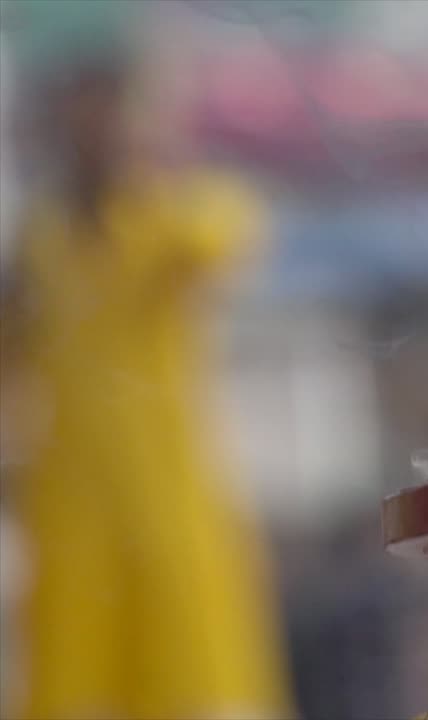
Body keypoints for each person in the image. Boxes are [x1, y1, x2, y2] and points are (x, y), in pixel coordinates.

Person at [0, 16, 293, 720]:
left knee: (197, 683)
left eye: (106, 107)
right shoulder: (36, 242)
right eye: (76, 108)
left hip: (172, 501)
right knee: (73, 689)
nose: (90, 127)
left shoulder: (168, 219)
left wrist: (150, 169)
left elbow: (232, 231)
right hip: (69, 510)